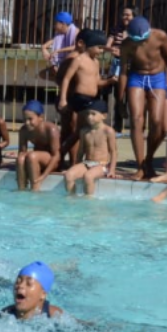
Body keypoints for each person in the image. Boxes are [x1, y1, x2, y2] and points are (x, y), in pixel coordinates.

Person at [118, 16, 167, 179]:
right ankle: (140, 165)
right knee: (136, 120)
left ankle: (149, 160)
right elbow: (123, 72)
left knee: (157, 122)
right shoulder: (126, 45)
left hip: (157, 77)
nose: (139, 44)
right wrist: (119, 99)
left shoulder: (160, 36)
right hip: (136, 77)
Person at [57, 29, 111, 164]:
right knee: (79, 131)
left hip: (90, 99)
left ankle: (64, 155)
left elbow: (98, 82)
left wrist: (111, 81)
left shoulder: (96, 62)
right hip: (79, 98)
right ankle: (60, 154)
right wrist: (63, 99)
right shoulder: (78, 60)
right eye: (99, 47)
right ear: (90, 45)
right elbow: (66, 79)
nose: (101, 51)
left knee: (81, 131)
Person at [64, 99, 118, 196]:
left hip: (102, 165)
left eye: (93, 114)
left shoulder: (108, 131)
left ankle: (88, 200)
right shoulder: (84, 131)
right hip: (86, 163)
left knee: (88, 177)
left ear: (104, 116)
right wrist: (76, 165)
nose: (89, 117)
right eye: (88, 114)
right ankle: (71, 200)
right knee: (69, 175)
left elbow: (113, 151)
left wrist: (112, 170)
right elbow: (80, 151)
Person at [17, 100, 61, 192]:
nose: (27, 123)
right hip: (35, 160)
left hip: (52, 162)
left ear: (41, 117)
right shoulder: (24, 130)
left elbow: (56, 156)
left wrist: (44, 175)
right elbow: (22, 152)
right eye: (24, 119)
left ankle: (35, 189)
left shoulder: (51, 129)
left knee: (32, 156)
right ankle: (21, 189)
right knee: (20, 158)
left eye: (30, 119)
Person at [40, 12, 79, 82]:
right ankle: (64, 81)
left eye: (56, 23)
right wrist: (43, 48)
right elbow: (52, 41)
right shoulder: (60, 34)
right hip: (64, 62)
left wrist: (58, 51)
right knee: (44, 74)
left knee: (56, 72)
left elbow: (76, 47)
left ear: (63, 24)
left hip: (74, 62)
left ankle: (68, 82)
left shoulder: (75, 32)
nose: (54, 26)